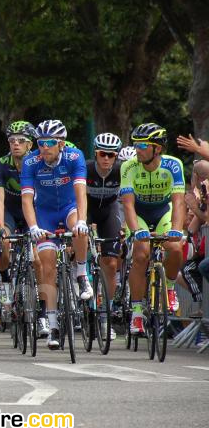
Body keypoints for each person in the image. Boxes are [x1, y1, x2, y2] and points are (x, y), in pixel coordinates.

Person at [20, 119, 90, 350]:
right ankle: (52, 324)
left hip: (69, 207)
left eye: (49, 142)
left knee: (80, 231)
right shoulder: (31, 161)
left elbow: (81, 193)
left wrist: (81, 220)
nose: (44, 147)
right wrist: (33, 227)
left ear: (60, 143)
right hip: (45, 214)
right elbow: (27, 199)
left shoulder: (74, 156)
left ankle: (81, 273)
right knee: (47, 265)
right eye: (40, 143)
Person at [121, 123, 185, 333]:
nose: (137, 149)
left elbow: (178, 202)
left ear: (157, 148)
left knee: (175, 248)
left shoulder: (173, 165)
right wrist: (135, 230)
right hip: (138, 213)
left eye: (142, 145)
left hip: (162, 212)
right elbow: (128, 204)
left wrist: (176, 229)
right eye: (135, 145)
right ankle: (137, 313)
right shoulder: (129, 166)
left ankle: (170, 287)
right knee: (141, 255)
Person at [0, 121, 35, 308]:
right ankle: (5, 279)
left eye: (21, 140)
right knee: (3, 241)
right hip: (9, 210)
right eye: (12, 140)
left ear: (30, 144)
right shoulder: (0, 165)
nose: (16, 143)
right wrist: (0, 226)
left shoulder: (37, 163)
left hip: (31, 210)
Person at [86, 133, 123, 328]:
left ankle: (106, 311)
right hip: (87, 210)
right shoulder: (86, 169)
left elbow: (127, 200)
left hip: (109, 211)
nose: (106, 158)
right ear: (96, 153)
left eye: (111, 155)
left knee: (110, 262)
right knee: (77, 246)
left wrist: (125, 226)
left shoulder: (120, 171)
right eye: (102, 154)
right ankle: (80, 281)